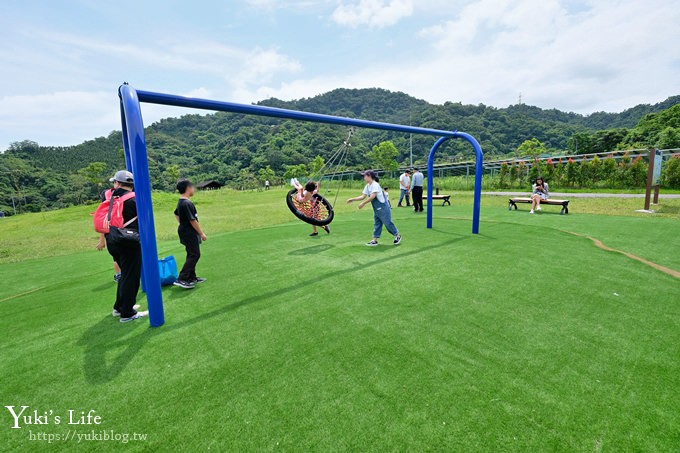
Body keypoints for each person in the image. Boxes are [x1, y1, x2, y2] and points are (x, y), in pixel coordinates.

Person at [105, 170, 148, 323]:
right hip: (128, 241)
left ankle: (120, 307)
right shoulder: (135, 199)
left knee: (124, 274)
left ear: (117, 183)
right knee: (131, 276)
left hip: (112, 238)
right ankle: (127, 313)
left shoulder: (110, 196)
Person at [347, 171, 401, 247]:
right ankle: (374, 240)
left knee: (388, 223)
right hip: (377, 209)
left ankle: (397, 235)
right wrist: (352, 199)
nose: (364, 177)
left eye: (365, 176)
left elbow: (373, 196)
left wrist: (363, 203)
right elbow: (363, 196)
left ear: (369, 176)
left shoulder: (375, 185)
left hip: (383, 208)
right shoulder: (367, 186)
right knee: (377, 224)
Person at [174, 179, 208, 289]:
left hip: (185, 231)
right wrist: (201, 233)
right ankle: (182, 278)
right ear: (188, 188)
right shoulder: (187, 203)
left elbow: (176, 213)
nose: (193, 189)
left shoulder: (181, 201)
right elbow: (192, 220)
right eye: (192, 187)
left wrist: (182, 223)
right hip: (189, 232)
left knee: (191, 253)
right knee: (195, 254)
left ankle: (191, 277)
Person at [97, 184, 121, 282]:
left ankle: (119, 275)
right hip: (122, 235)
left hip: (112, 237)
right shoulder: (118, 205)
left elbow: (102, 227)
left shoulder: (104, 211)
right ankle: (120, 275)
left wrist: (102, 241)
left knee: (117, 258)